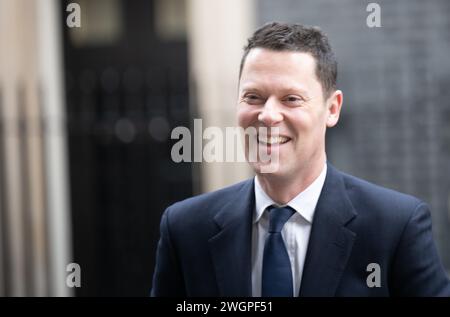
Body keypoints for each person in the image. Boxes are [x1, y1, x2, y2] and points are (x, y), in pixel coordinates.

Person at [151, 22, 450, 296]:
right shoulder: (186, 229)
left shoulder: (396, 228)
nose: (267, 115)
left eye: (291, 99)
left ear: (332, 109)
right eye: (253, 97)